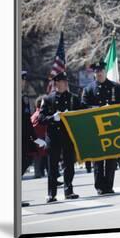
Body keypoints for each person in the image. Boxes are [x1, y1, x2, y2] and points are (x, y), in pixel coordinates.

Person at [82, 60, 120, 194]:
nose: (99, 73)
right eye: (96, 72)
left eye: (101, 71)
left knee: (111, 159)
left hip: (112, 128)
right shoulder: (88, 89)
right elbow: (83, 107)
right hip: (96, 129)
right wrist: (99, 109)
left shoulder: (116, 87)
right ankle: (100, 186)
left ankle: (109, 185)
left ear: (105, 71)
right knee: (98, 160)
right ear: (94, 74)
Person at [40, 71, 84, 203]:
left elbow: (83, 114)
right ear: (56, 83)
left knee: (69, 165)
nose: (65, 83)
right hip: (53, 137)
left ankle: (68, 191)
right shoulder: (48, 99)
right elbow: (41, 119)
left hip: (68, 136)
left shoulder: (73, 98)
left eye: (66, 81)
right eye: (63, 81)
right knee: (52, 166)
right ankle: (51, 194)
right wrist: (53, 118)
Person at [21, 70, 40, 207]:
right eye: (22, 79)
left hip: (22, 138)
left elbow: (27, 121)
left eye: (24, 80)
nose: (23, 82)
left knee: (26, 160)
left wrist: (35, 138)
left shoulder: (24, 98)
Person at [30, 96, 48, 178]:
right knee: (39, 157)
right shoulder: (38, 115)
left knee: (40, 157)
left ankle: (40, 173)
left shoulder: (35, 114)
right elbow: (34, 128)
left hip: (39, 139)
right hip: (39, 139)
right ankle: (38, 173)